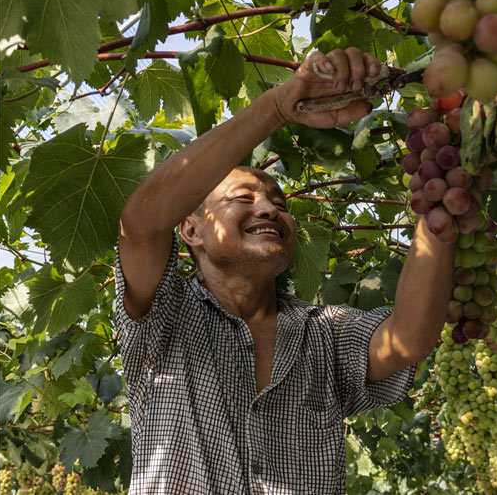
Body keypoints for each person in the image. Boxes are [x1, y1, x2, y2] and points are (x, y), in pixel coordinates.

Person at [116, 48, 455, 494]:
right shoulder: (164, 317)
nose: (270, 210)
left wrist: (445, 188)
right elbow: (140, 225)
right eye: (243, 198)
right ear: (191, 229)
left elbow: (409, 335)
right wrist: (278, 107)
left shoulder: (324, 334)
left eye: (280, 203)